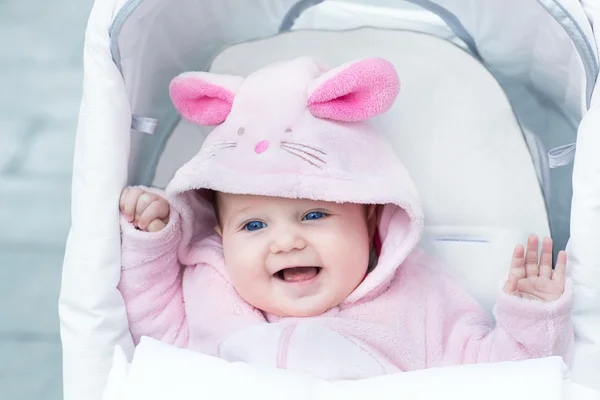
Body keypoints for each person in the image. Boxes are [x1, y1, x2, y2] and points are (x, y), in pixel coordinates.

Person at [117, 57, 573, 380]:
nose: (286, 242)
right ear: (220, 234)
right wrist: (150, 242)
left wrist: (530, 319)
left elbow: (501, 377)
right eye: (254, 226)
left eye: (314, 214)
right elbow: (151, 330)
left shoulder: (418, 300)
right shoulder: (208, 291)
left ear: (371, 218)